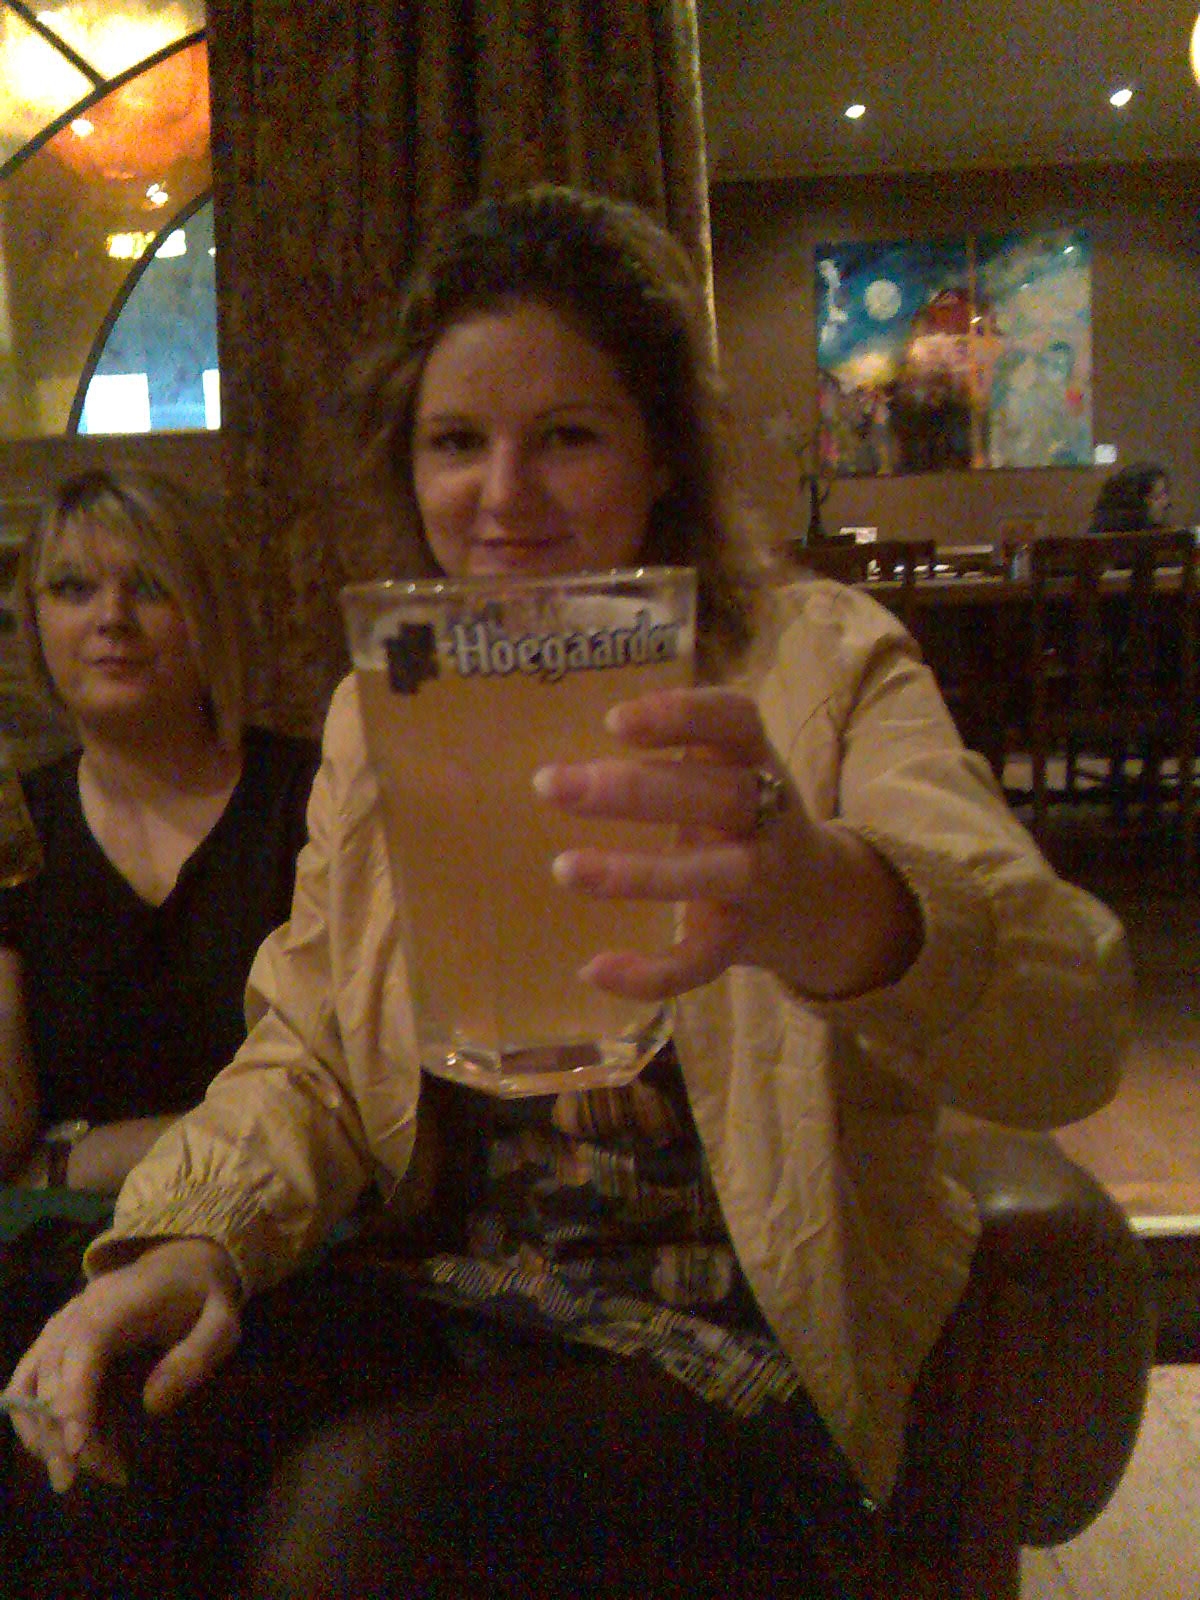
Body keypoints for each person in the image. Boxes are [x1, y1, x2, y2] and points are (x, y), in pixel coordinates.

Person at [6, 190, 1130, 1597]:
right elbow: (308, 1049)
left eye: (568, 437)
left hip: (736, 1356)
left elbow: (1071, 1023)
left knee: (364, 1526)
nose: (502, 495)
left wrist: (835, 905)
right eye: (455, 443)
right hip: (444, 1297)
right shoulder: (384, 704)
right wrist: (193, 1237)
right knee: (97, 1419)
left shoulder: (823, 664)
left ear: (659, 456)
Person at [0, 469, 320, 1193]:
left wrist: (75, 1159)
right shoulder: (13, 821)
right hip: (64, 1242)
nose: (111, 617)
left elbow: (348, 1106)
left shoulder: (316, 798)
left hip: (296, 1231)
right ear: (35, 620)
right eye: (73, 589)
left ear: (209, 612)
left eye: (149, 587)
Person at [1088, 461, 1172, 531]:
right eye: (1156, 497)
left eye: (1165, 495)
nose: (1166, 502)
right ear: (1134, 502)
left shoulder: (1164, 537)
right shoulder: (1101, 541)